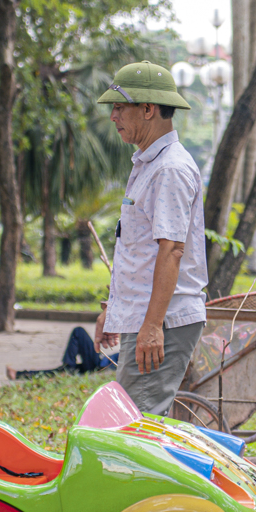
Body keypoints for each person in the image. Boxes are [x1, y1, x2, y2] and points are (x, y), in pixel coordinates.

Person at [93, 62, 209, 414]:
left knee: (135, 428)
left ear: (148, 109)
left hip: (164, 319)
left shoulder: (170, 168)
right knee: (136, 423)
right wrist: (113, 310)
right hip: (145, 316)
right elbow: (139, 251)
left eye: (119, 107)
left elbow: (172, 251)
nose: (113, 116)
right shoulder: (148, 163)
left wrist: (153, 327)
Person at [8, 325, 118, 380]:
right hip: (102, 362)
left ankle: (68, 366)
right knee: (60, 371)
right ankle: (19, 374)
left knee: (78, 332)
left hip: (101, 366)